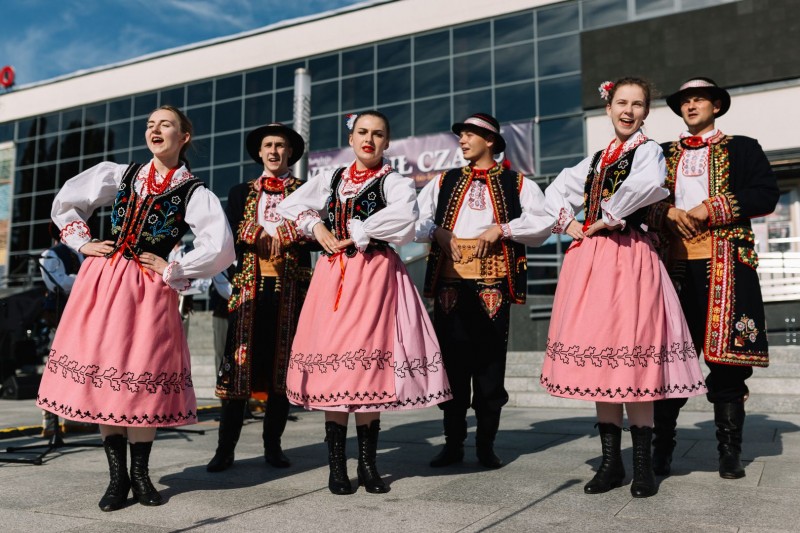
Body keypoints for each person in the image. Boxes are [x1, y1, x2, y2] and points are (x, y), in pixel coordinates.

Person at [37, 105, 235, 511]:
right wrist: (83, 242)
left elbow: (220, 246)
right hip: (104, 282)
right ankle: (117, 479)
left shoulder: (193, 192)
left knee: (141, 378)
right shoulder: (122, 175)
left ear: (184, 137)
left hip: (148, 289)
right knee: (104, 376)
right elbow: (67, 202)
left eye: (165, 124)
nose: (155, 129)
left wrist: (175, 267)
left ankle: (141, 475)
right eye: (150, 124)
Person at [539, 78, 707, 498]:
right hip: (593, 261)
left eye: (636, 104)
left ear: (646, 112)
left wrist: (605, 216)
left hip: (630, 256)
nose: (628, 111)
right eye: (621, 103)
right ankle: (611, 464)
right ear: (608, 108)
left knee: (634, 356)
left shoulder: (648, 151)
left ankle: (643, 466)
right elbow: (555, 190)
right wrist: (569, 221)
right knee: (605, 358)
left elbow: (646, 187)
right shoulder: (596, 159)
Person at [276, 110, 452, 495]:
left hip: (375, 276)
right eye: (362, 132)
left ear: (387, 142)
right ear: (351, 139)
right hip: (334, 277)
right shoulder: (332, 178)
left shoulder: (394, 181)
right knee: (336, 367)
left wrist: (363, 228)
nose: (369, 139)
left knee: (369, 365)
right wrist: (317, 226)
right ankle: (337, 466)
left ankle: (369, 465)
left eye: (377, 133)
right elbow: (291, 206)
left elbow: (405, 219)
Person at [648, 78, 779, 479]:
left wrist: (710, 207)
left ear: (716, 106)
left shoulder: (743, 148)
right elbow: (638, 202)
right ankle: (661, 450)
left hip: (727, 266)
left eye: (699, 100)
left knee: (727, 363)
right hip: (673, 266)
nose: (691, 106)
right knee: (670, 357)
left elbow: (765, 194)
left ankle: (729, 451)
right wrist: (666, 212)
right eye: (685, 102)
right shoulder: (659, 153)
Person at [415, 113, 551, 469]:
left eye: (469, 134)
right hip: (450, 283)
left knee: (489, 364)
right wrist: (438, 232)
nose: (462, 140)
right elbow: (416, 219)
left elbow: (543, 223)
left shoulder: (517, 183)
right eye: (460, 135)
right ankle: (453, 444)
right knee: (452, 363)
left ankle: (485, 446)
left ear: (490, 140)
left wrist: (502, 229)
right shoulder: (443, 181)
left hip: (493, 283)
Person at [208, 123, 314, 472]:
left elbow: (318, 234)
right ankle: (224, 450)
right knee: (237, 369)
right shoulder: (240, 191)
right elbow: (229, 232)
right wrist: (257, 234)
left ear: (290, 153)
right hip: (248, 293)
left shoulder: (305, 190)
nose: (273, 151)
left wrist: (288, 233)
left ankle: (273, 446)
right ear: (259, 152)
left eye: (280, 145)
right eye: (268, 145)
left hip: (290, 293)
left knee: (281, 370)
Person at [38, 222, 95, 437]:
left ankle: (72, 418)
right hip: (58, 314)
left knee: (77, 366)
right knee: (56, 365)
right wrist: (86, 279)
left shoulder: (82, 254)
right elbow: (57, 283)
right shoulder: (51, 254)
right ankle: (49, 422)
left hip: (79, 313)